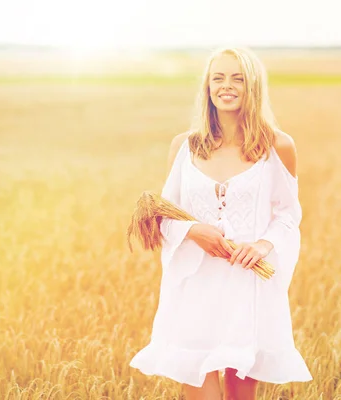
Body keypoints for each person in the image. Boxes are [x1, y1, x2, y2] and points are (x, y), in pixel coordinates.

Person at [129, 47, 313, 400]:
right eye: (218, 78)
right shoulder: (185, 146)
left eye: (237, 78)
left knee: (240, 394)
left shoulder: (277, 146)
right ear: (207, 87)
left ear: (253, 86)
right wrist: (193, 231)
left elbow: (289, 215)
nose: (226, 86)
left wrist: (261, 245)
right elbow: (166, 215)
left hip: (247, 283)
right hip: (195, 285)